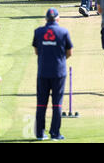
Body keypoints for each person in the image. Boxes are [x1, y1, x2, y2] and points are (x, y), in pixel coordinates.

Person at [32, 8, 73, 141]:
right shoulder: (63, 32)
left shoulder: (38, 32)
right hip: (58, 72)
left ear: (46, 19)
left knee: (41, 104)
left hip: (43, 72)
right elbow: (69, 52)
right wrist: (60, 60)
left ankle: (39, 134)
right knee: (57, 104)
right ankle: (55, 134)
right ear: (57, 19)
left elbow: (37, 51)